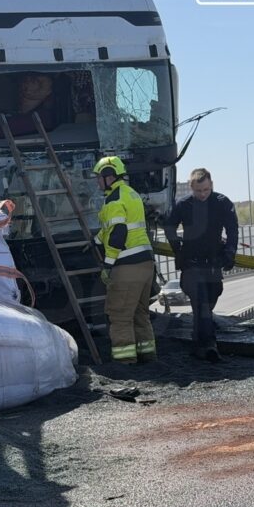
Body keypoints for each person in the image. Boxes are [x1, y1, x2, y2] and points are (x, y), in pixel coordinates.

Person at [163, 168, 238, 361]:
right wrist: (177, 247)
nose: (202, 194)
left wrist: (230, 252)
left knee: (209, 301)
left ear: (211, 185)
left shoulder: (222, 203)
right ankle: (209, 345)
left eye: (205, 190)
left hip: (213, 265)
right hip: (191, 265)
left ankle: (197, 342)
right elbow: (169, 226)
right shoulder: (183, 204)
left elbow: (232, 229)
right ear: (191, 188)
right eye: (198, 191)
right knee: (202, 303)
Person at [93, 156, 156, 364]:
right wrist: (96, 239)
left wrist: (108, 265)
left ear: (108, 176)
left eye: (98, 177)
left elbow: (117, 236)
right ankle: (148, 355)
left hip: (127, 265)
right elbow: (118, 227)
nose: (96, 182)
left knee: (120, 316)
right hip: (146, 264)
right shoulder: (131, 194)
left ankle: (125, 362)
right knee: (140, 314)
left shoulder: (113, 200)